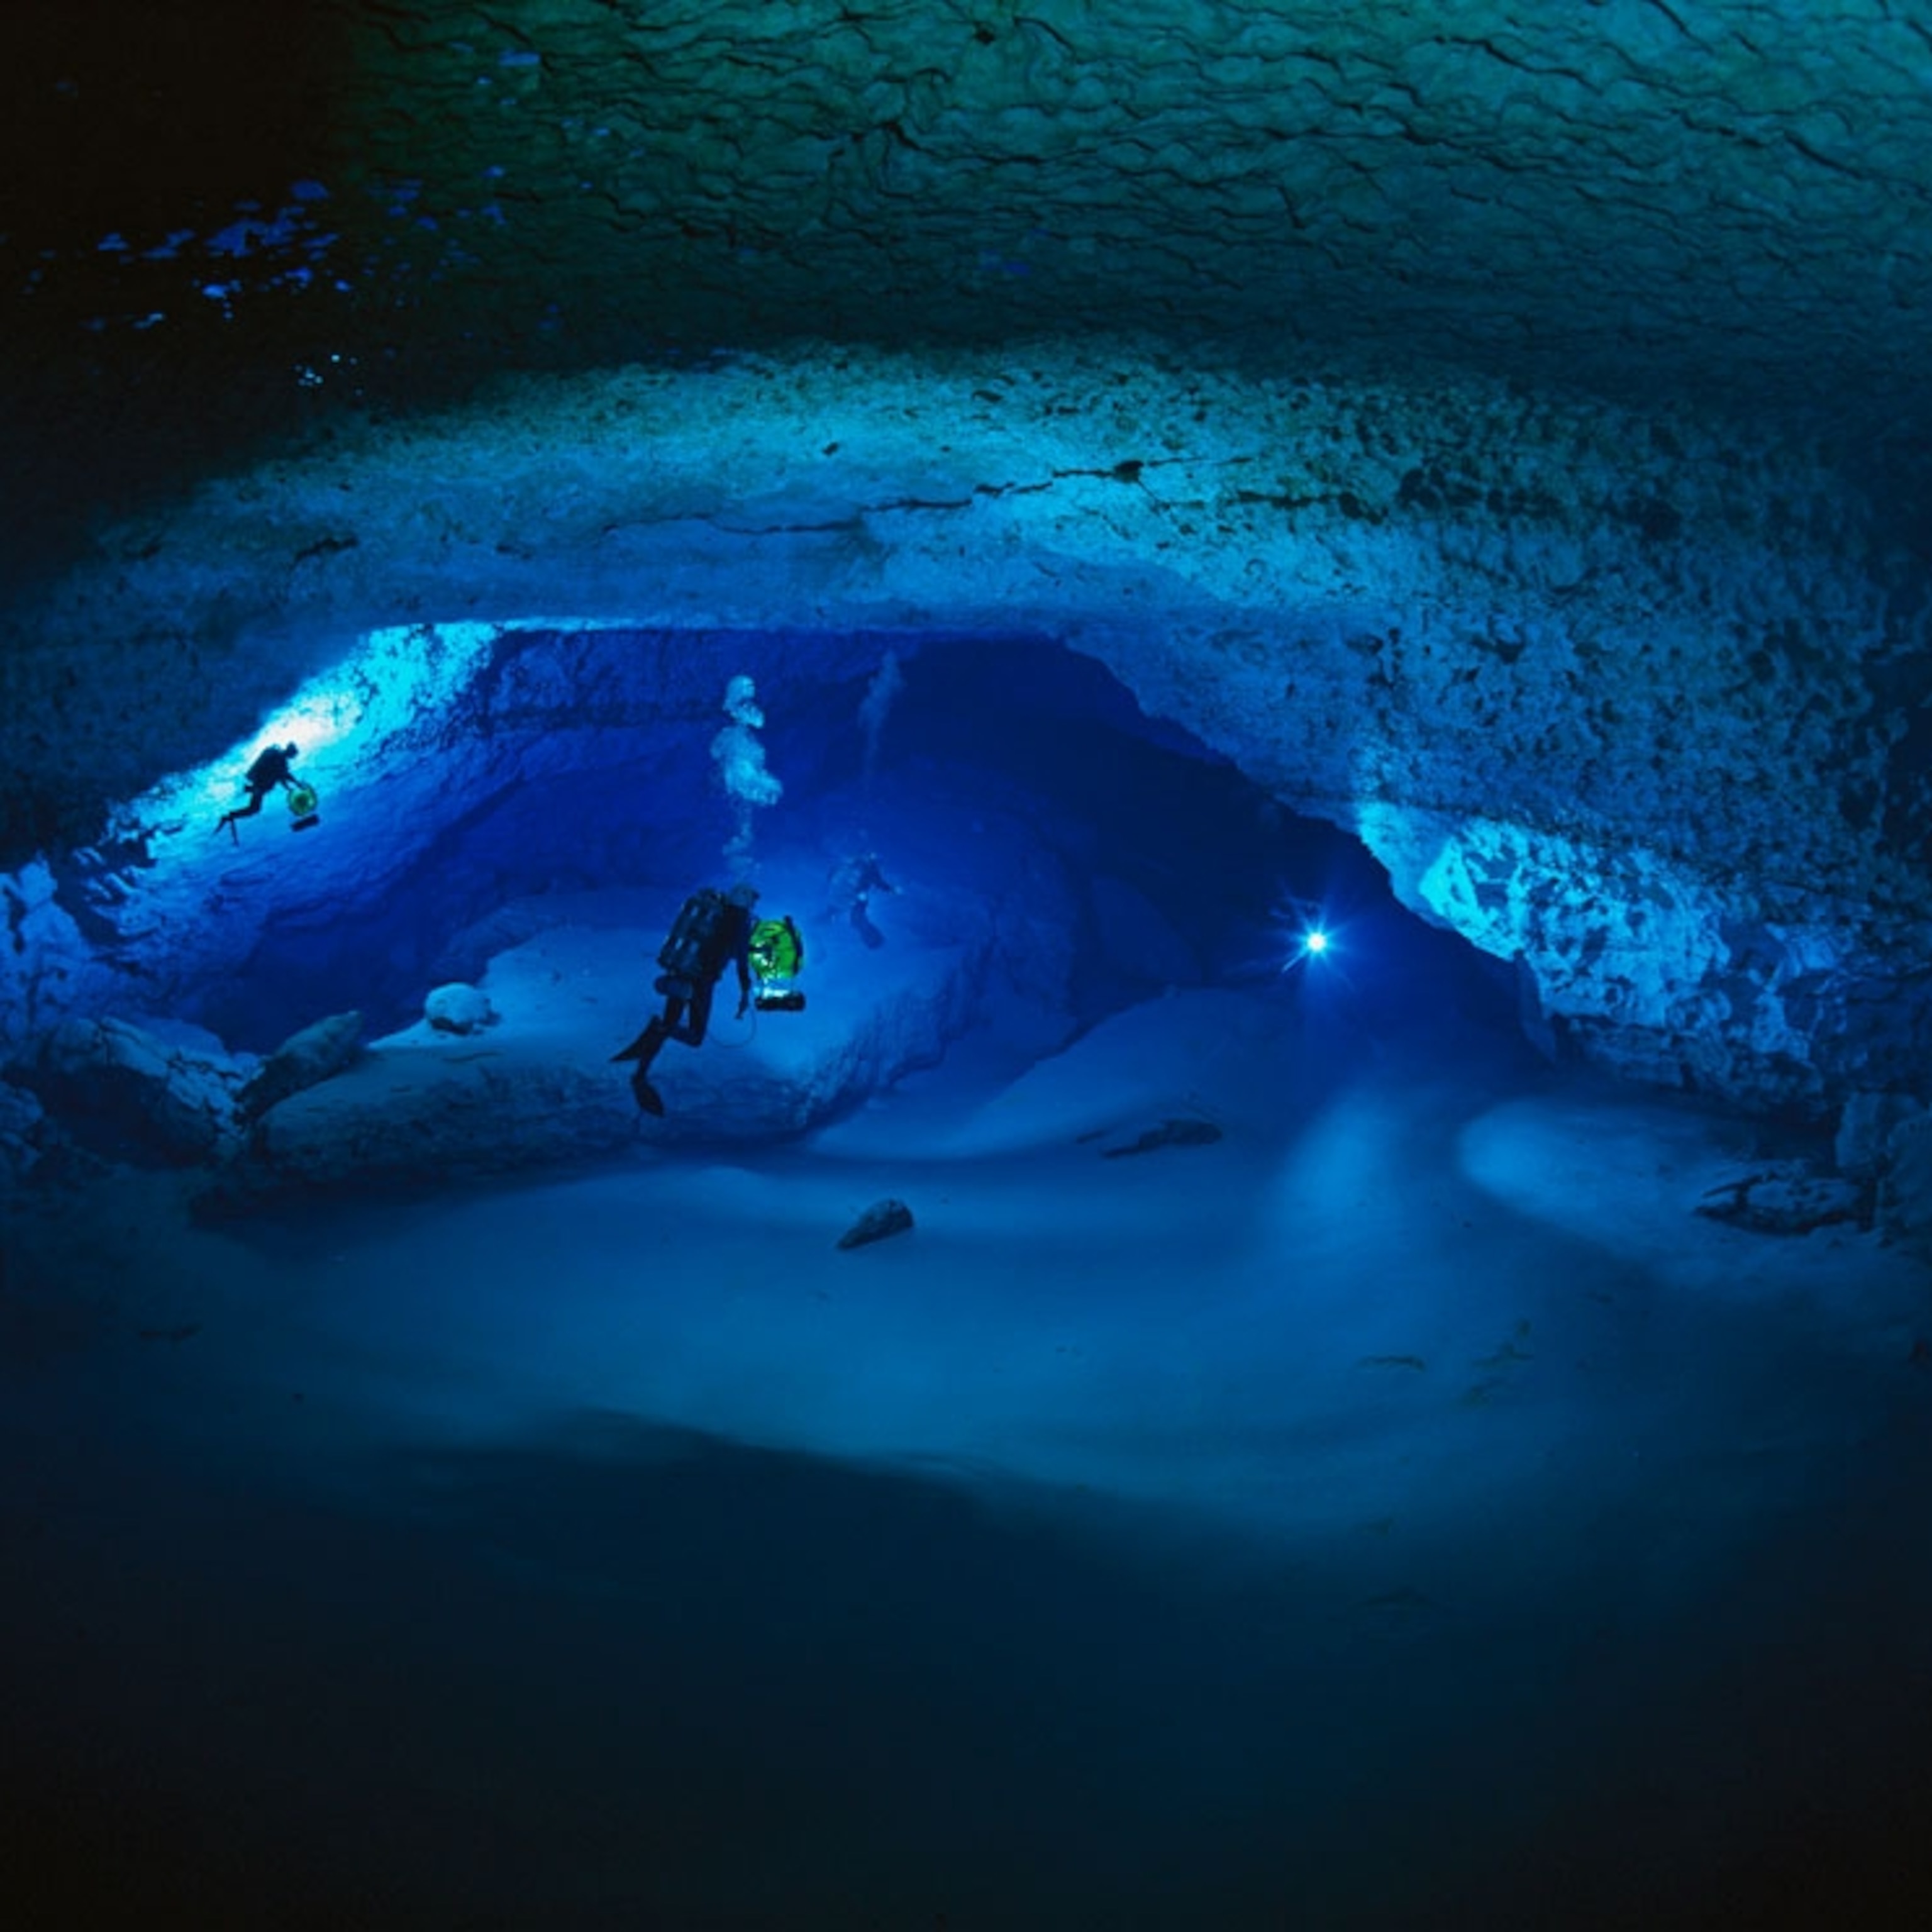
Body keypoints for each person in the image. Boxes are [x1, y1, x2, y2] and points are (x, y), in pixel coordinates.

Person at [611, 881, 760, 1116]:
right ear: (748, 901)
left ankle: (641, 1073)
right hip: (702, 981)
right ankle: (656, 1033)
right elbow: (740, 960)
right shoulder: (740, 923)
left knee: (669, 1020)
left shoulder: (718, 915)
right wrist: (744, 993)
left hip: (683, 970)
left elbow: (721, 945)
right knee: (695, 1037)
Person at [217, 742, 301, 840]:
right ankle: (231, 815)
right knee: (255, 808)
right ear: (290, 752)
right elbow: (282, 776)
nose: (292, 758)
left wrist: (293, 785)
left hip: (260, 784)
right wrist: (293, 785)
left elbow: (282, 776)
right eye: (293, 755)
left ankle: (233, 812)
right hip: (260, 785)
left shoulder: (279, 759)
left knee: (254, 808)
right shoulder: (279, 759)